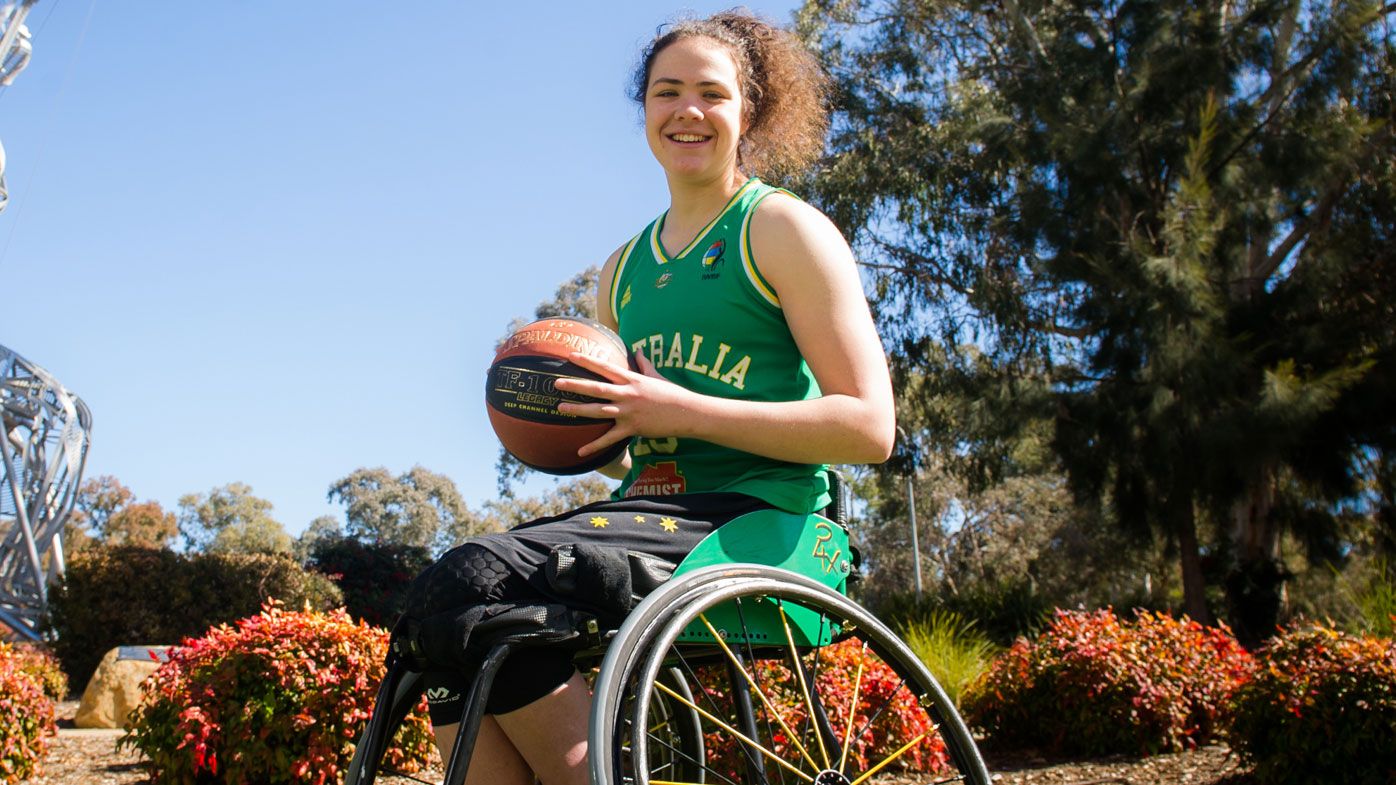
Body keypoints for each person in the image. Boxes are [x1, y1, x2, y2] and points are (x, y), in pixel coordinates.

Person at [398, 10, 894, 785]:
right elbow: (635, 440)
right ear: (645, 113)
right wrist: (576, 427)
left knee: (476, 580)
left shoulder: (780, 229)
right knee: (441, 619)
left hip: (763, 521)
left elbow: (869, 426)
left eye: (711, 93)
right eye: (667, 92)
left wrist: (676, 410)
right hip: (651, 514)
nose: (687, 110)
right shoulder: (622, 271)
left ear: (749, 111)